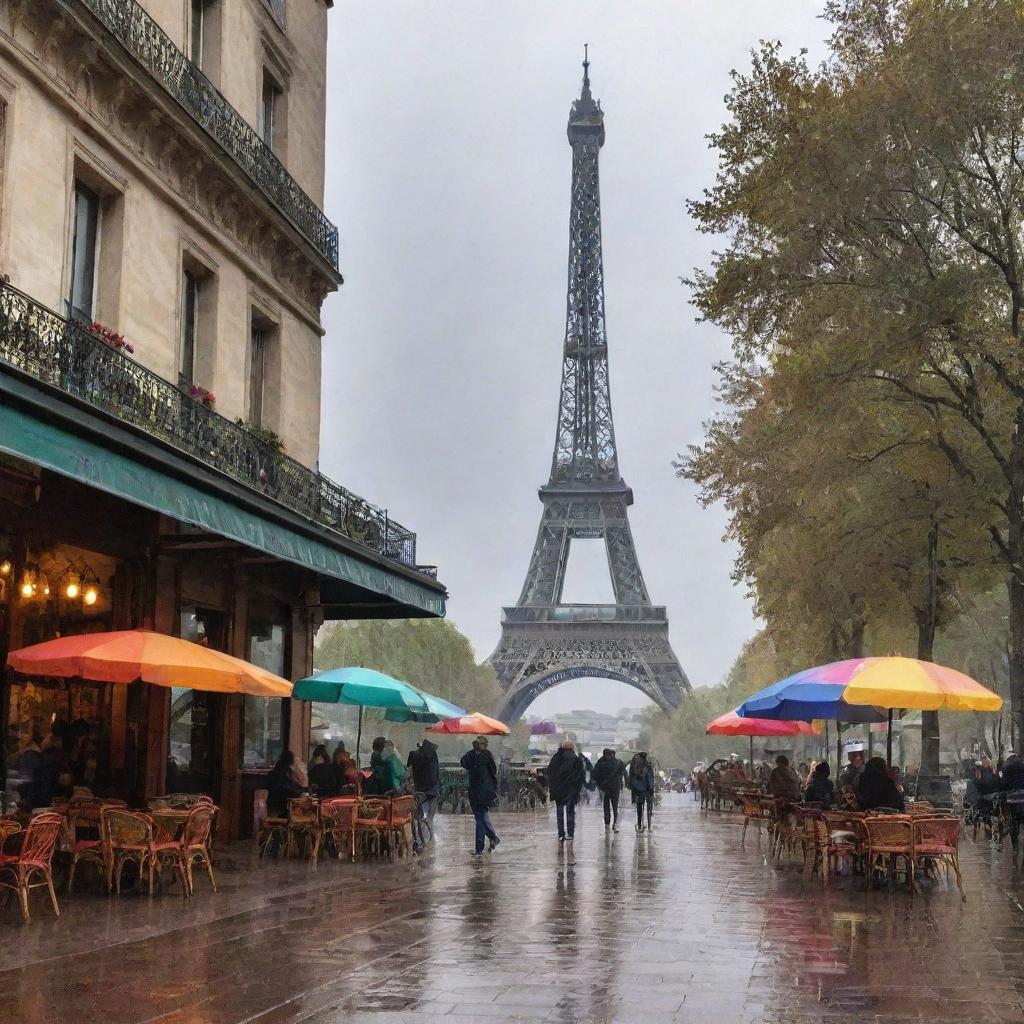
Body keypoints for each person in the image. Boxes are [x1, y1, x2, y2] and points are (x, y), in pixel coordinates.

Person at [460, 737, 500, 856]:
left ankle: (479, 849)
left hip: (484, 793)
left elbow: (493, 771)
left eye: (478, 744)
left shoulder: (486, 756)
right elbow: (463, 762)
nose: (476, 745)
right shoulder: (473, 755)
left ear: (484, 745)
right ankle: (494, 838)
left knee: (480, 820)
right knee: (483, 819)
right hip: (475, 792)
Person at [547, 740, 585, 843]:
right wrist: (577, 789)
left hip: (559, 791)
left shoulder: (555, 759)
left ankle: (561, 834)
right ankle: (570, 833)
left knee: (559, 812)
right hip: (571, 791)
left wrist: (553, 788)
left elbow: (550, 773)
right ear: (573, 748)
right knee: (570, 812)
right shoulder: (576, 760)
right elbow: (581, 776)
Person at [407, 739, 441, 850]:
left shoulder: (413, 754)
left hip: (419, 789)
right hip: (432, 788)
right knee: (431, 814)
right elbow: (436, 773)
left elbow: (409, 770)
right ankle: (430, 835)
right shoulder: (433, 755)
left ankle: (418, 835)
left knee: (418, 813)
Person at [591, 748, 626, 831]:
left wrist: (600, 782)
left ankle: (607, 823)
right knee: (614, 806)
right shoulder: (617, 762)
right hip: (614, 787)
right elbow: (622, 772)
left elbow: (595, 774)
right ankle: (614, 823)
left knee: (606, 805)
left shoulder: (601, 762)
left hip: (606, 787)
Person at [267, 750, 306, 816]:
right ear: (291, 763)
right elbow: (287, 788)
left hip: (276, 807)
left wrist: (303, 790)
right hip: (279, 809)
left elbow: (291, 785)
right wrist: (301, 792)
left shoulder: (280, 771)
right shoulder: (282, 773)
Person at [626, 751, 656, 832]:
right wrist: (651, 789)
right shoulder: (648, 767)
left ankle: (639, 825)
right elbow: (650, 780)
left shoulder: (634, 767)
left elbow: (631, 779)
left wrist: (634, 788)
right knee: (649, 808)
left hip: (639, 791)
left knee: (639, 808)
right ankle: (649, 825)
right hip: (647, 790)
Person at [1001, 753, 1024, 854]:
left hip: (1012, 798)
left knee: (1014, 821)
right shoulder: (1022, 764)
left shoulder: (1006, 766)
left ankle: (1015, 846)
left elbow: (1004, 783)